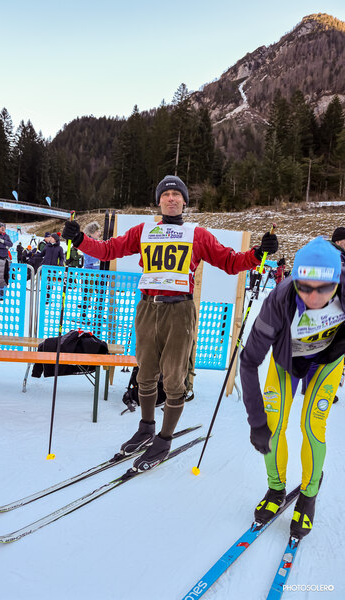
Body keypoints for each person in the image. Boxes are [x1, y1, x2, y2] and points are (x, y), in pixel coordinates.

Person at [63, 174, 278, 471]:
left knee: (175, 380)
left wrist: (258, 254)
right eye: (166, 194)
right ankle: (146, 428)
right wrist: (79, 240)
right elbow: (109, 250)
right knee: (145, 374)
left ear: (185, 201)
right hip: (147, 307)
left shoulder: (196, 234)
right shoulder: (144, 231)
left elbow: (229, 261)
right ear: (159, 201)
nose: (171, 198)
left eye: (177, 194)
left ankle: (164, 439)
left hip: (179, 310)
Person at [240, 236, 345, 540]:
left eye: (324, 288)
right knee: (272, 425)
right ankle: (276, 489)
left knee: (312, 426)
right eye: (305, 287)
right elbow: (249, 362)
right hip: (287, 360)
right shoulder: (279, 301)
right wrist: (256, 422)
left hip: (326, 362)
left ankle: (309, 496)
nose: (313, 296)